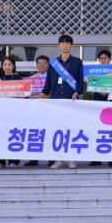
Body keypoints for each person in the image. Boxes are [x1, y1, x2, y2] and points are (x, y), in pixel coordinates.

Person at [40, 34, 84, 170]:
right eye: (62, 43)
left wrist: (77, 92)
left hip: (71, 100)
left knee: (70, 129)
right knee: (57, 130)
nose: (65, 45)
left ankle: (70, 159)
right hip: (56, 101)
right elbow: (48, 83)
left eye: (67, 43)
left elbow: (80, 80)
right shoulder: (53, 63)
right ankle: (58, 159)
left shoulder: (77, 62)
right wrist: (42, 94)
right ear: (59, 45)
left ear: (71, 45)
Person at [0, 56, 23, 169]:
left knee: (14, 136)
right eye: (5, 64)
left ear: (14, 66)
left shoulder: (19, 79)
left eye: (10, 64)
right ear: (2, 66)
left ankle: (14, 161)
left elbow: (24, 95)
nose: (7, 67)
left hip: (15, 113)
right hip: (0, 113)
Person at [24, 56, 50, 167]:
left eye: (45, 63)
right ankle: (34, 158)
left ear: (48, 65)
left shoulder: (53, 78)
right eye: (40, 63)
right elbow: (27, 94)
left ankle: (51, 158)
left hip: (50, 110)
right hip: (36, 110)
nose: (42, 65)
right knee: (35, 134)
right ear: (36, 65)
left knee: (49, 133)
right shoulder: (31, 79)